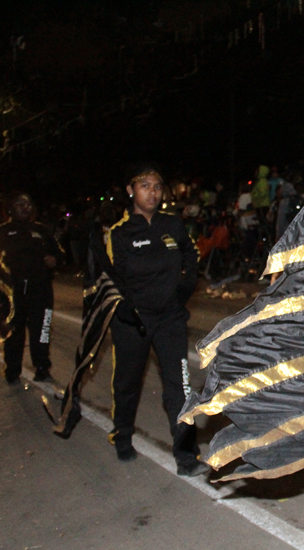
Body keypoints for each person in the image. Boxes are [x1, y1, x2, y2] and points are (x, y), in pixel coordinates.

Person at [100, 163, 207, 475]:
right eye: (145, 185)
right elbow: (110, 277)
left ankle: (187, 456)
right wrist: (125, 309)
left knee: (180, 387)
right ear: (132, 190)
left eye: (158, 186)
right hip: (133, 321)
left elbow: (192, 255)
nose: (153, 192)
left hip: (170, 319)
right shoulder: (119, 233)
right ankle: (122, 435)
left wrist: (184, 289)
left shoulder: (172, 226)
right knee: (127, 382)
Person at [0, 192, 65, 384]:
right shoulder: (1, 232)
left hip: (40, 290)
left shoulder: (42, 230)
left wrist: (54, 260)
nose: (25, 207)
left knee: (42, 329)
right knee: (13, 333)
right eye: (20, 204)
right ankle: (12, 370)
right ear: (11, 208)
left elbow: (61, 254)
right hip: (12, 292)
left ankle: (42, 368)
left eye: (29, 204)